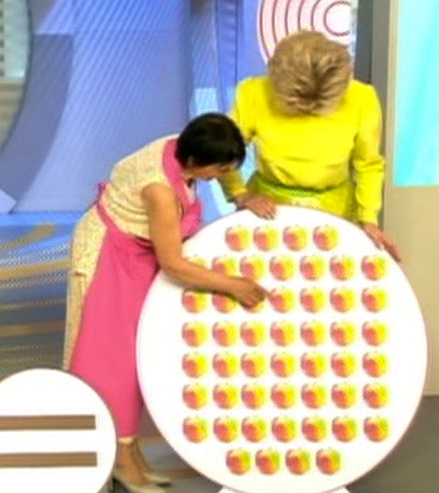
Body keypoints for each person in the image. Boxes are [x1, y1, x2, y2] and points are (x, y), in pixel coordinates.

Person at [63, 114, 268, 492]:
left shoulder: (184, 146)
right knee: (114, 360)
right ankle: (119, 457)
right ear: (194, 160)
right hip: (111, 255)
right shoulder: (159, 190)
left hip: (138, 254)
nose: (219, 177)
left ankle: (131, 451)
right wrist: (232, 285)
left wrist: (243, 198)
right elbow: (173, 263)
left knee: (140, 353)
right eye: (219, 169)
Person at [220, 30, 400, 260]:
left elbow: (368, 166)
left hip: (336, 212)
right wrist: (241, 195)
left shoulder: (362, 98)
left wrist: (369, 219)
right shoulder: (253, 93)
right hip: (268, 211)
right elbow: (220, 150)